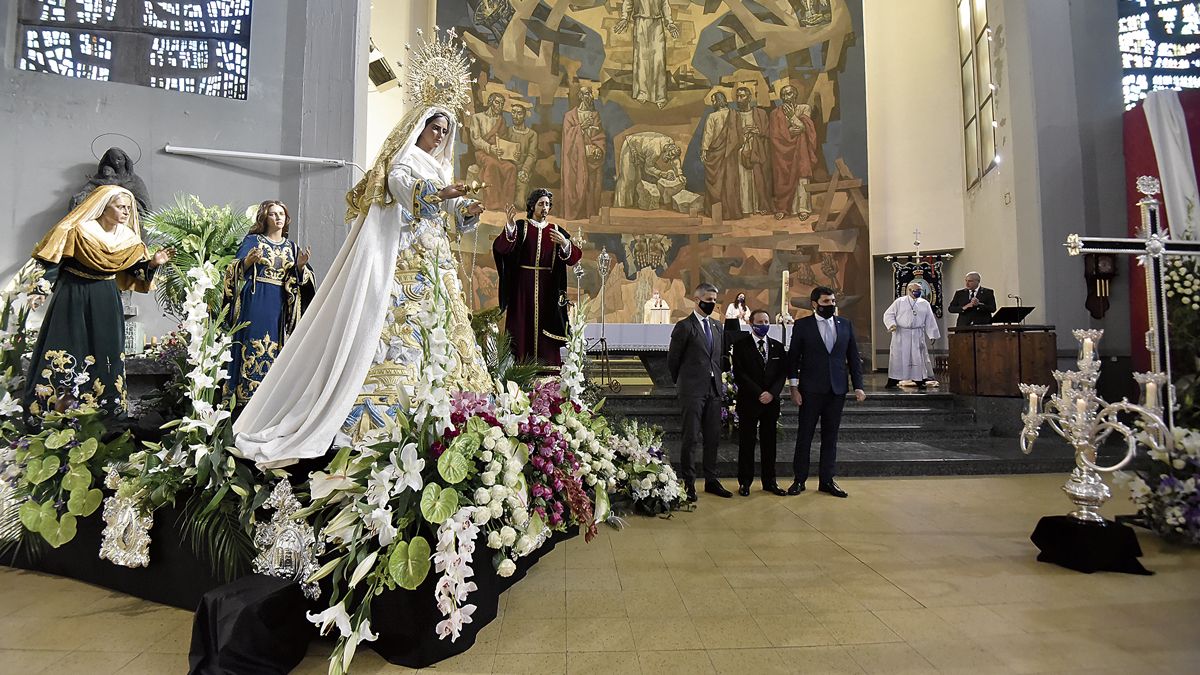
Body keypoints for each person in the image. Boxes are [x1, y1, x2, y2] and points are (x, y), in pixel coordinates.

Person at [234, 106, 490, 468]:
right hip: (405, 259)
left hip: (437, 262)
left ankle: (455, 413)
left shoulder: (441, 166)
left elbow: (452, 210)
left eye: (446, 131)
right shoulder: (406, 158)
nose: (440, 136)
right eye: (435, 128)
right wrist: (438, 193)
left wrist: (466, 209)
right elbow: (400, 186)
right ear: (419, 128)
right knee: (397, 331)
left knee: (447, 333)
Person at [24, 185, 172, 417]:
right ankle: (55, 410)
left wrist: (152, 264)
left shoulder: (128, 239)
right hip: (73, 294)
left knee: (106, 349)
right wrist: (40, 289)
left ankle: (105, 411)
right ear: (104, 207)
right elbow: (53, 262)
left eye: (128, 208)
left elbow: (135, 271)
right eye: (120, 207)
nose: (125, 212)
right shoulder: (77, 231)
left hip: (105, 297)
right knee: (68, 344)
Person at [221, 200, 316, 405]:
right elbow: (232, 271)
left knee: (278, 347)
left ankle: (273, 400)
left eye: (281, 213)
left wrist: (300, 267)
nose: (278, 217)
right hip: (255, 301)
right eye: (273, 214)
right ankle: (246, 397)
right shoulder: (253, 241)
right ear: (265, 218)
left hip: (280, 306)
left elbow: (303, 282)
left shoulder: (291, 247)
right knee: (252, 343)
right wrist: (247, 262)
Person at [786, 286, 865, 498]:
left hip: (836, 389)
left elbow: (853, 358)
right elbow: (793, 358)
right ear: (815, 304)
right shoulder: (803, 325)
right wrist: (794, 387)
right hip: (810, 390)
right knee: (805, 436)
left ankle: (827, 480)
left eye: (832, 301)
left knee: (831, 437)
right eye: (826, 302)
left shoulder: (845, 324)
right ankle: (799, 480)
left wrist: (858, 385)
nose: (831, 305)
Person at [493, 188, 582, 366]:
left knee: (546, 328)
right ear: (532, 206)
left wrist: (564, 243)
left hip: (548, 288)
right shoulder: (521, 226)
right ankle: (520, 370)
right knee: (521, 326)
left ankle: (548, 372)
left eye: (548, 204)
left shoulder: (556, 230)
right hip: (522, 287)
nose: (545, 207)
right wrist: (510, 226)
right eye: (541, 203)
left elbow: (574, 258)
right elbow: (502, 248)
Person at [667, 282, 730, 501]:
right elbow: (673, 359)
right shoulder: (685, 326)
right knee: (691, 437)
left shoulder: (717, 326)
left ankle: (712, 480)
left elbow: (720, 357)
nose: (712, 303)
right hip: (692, 390)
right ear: (697, 300)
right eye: (708, 300)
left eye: (714, 300)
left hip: (713, 390)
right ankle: (689, 483)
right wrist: (684, 383)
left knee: (712, 437)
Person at [731, 310, 788, 496]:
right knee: (747, 443)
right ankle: (745, 482)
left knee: (769, 443)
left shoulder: (777, 347)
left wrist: (771, 393)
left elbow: (781, 374)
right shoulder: (740, 346)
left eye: (766, 321)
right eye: (760, 321)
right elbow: (740, 374)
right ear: (751, 323)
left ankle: (770, 481)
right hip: (749, 401)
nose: (763, 324)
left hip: (771, 403)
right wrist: (759, 393)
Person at [613, 0, 680, 108]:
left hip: (657, 23)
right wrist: (625, 18)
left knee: (659, 60)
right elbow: (628, 2)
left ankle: (659, 96)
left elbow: (664, 4)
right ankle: (642, 93)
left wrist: (670, 22)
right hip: (640, 23)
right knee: (641, 59)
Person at [768, 85, 818, 219]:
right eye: (783, 95)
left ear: (795, 95)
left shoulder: (804, 108)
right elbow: (774, 136)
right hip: (782, 153)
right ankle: (783, 208)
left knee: (802, 177)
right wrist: (788, 133)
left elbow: (803, 128)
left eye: (789, 94)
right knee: (782, 178)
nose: (785, 97)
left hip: (800, 151)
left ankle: (803, 209)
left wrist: (791, 117)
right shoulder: (775, 113)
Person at [560, 80, 606, 220]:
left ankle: (589, 213)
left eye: (590, 94)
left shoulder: (595, 115)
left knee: (591, 184)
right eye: (586, 94)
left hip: (591, 158)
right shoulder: (570, 116)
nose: (589, 97)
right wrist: (581, 128)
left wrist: (599, 149)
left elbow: (600, 136)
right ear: (580, 96)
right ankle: (575, 213)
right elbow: (567, 139)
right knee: (575, 183)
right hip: (575, 158)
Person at [724, 86, 772, 219]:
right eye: (737, 97)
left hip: (757, 151)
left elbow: (769, 132)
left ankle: (760, 206)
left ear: (750, 98)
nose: (739, 99)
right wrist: (741, 133)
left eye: (742, 96)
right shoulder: (733, 115)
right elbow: (729, 135)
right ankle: (745, 208)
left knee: (758, 179)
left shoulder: (760, 113)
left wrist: (758, 131)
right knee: (743, 180)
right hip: (740, 152)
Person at [883, 282, 941, 390]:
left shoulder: (924, 303)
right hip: (901, 333)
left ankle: (919, 379)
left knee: (918, 357)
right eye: (915, 290)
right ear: (909, 290)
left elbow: (930, 319)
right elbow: (888, 314)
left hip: (917, 333)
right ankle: (893, 379)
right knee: (898, 357)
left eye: (919, 290)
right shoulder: (899, 302)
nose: (918, 292)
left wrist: (932, 334)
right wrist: (892, 325)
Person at [469, 91, 517, 210]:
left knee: (511, 168)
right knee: (492, 165)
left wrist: (507, 151)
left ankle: (507, 203)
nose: (499, 106)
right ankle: (492, 203)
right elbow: (476, 139)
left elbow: (503, 140)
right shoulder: (477, 118)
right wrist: (490, 148)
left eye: (501, 104)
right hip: (482, 153)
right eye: (497, 102)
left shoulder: (501, 120)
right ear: (490, 102)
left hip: (497, 154)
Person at [700, 90, 732, 215]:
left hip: (716, 152)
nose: (712, 103)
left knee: (716, 180)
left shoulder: (712, 116)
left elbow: (708, 135)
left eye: (713, 100)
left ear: (718, 101)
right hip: (730, 152)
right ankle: (728, 209)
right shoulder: (733, 114)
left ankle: (715, 210)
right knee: (728, 180)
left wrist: (704, 150)